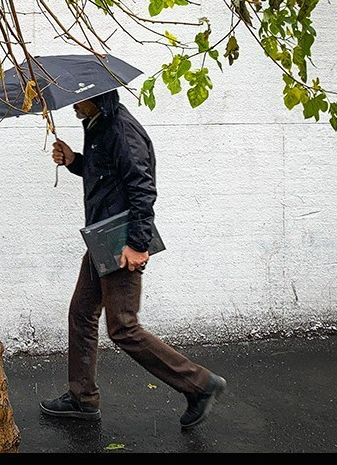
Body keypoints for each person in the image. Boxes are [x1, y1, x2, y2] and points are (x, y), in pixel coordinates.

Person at [41, 90, 227, 430]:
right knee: (81, 313)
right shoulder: (100, 125)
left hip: (121, 240)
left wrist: (137, 244)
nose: (74, 106)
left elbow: (142, 187)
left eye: (79, 100)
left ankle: (200, 384)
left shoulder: (121, 129)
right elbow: (106, 176)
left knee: (123, 327)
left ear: (96, 99)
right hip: (102, 237)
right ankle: (82, 398)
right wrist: (74, 162)